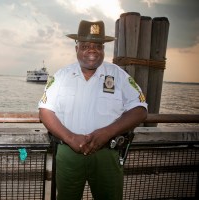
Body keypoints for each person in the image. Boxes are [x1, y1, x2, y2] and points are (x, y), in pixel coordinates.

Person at [38, 20, 147, 200]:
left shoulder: (118, 75)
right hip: (69, 153)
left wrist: (107, 132)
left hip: (107, 153)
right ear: (77, 49)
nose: (92, 50)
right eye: (86, 45)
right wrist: (71, 137)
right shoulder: (62, 76)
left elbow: (140, 109)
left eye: (98, 46)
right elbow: (45, 111)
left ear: (103, 50)